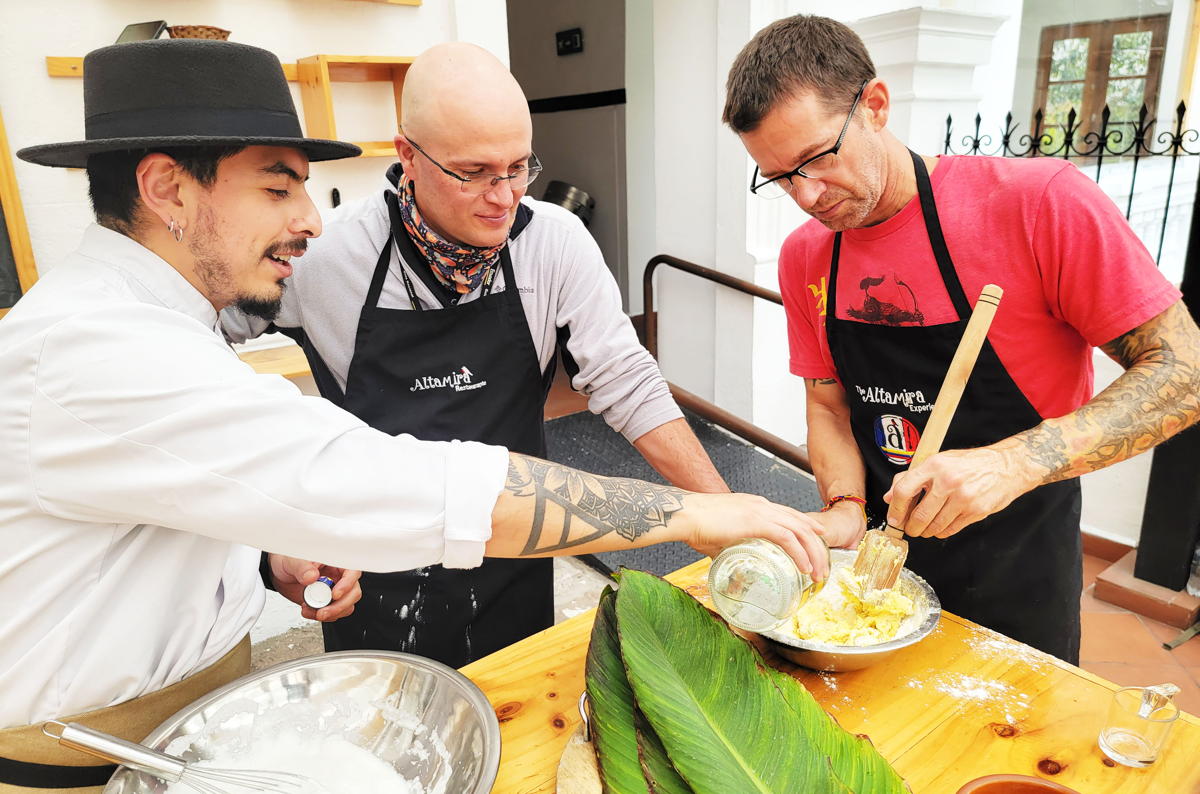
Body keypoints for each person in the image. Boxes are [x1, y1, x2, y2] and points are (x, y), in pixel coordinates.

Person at [0, 39, 830, 793]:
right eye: (278, 185)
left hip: (488, 571)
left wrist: (267, 541)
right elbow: (361, 473)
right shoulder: (105, 348)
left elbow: (199, 464)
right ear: (165, 189)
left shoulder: (142, 324)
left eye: (519, 169)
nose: (307, 219)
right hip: (102, 755)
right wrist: (696, 514)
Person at [221, 43, 732, 667]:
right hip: (372, 569)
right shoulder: (327, 258)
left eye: (519, 166)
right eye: (474, 172)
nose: (504, 195)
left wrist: (726, 514)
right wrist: (277, 536)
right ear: (407, 155)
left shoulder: (553, 243)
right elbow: (202, 354)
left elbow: (626, 380)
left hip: (514, 547)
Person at [722, 15, 1200, 664]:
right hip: (875, 572)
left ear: (875, 106)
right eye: (779, 176)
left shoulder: (1037, 205)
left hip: (1019, 573)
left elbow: (1185, 371)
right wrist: (843, 506)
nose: (805, 195)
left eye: (816, 158)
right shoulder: (807, 257)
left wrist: (1015, 462)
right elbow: (830, 405)